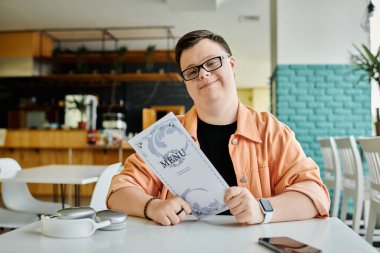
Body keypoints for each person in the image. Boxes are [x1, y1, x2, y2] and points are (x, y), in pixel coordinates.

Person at [107, 30, 330, 226]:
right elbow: (118, 191)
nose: (203, 73)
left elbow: (314, 193)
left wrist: (263, 209)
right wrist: (152, 207)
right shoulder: (165, 137)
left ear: (231, 65)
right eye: (192, 71)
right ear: (185, 81)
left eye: (212, 62)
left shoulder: (271, 131)